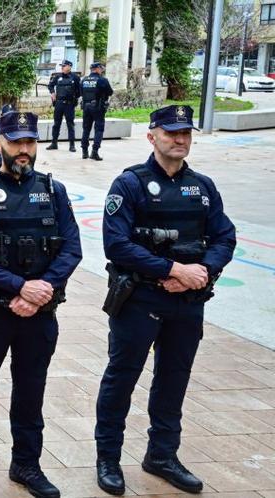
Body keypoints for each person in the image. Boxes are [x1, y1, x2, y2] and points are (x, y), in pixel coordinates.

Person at [93, 105, 236, 496]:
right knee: (122, 379)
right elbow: (116, 244)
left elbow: (225, 237)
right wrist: (173, 270)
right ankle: (108, 457)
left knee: (173, 380)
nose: (180, 139)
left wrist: (202, 271)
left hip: (187, 303)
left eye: (186, 132)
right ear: (151, 136)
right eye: (172, 132)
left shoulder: (203, 187)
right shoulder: (130, 184)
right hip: (140, 299)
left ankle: (162, 455)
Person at [0, 111, 82, 498]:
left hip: (38, 313)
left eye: (29, 142)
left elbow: (72, 248)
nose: (23, 150)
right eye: (16, 142)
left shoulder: (53, 191)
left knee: (31, 391)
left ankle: (26, 464)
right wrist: (19, 288)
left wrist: (42, 289)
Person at [80, 62, 114, 161]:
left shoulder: (84, 80)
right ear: (98, 69)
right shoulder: (102, 80)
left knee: (86, 129)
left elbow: (81, 92)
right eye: (101, 68)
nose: (102, 70)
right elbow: (110, 92)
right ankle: (94, 152)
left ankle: (84, 152)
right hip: (98, 107)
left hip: (86, 107)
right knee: (99, 129)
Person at [47, 60, 80, 152]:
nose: (62, 67)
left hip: (69, 104)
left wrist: (74, 98)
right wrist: (53, 93)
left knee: (70, 125)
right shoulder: (57, 77)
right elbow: (50, 85)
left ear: (69, 66)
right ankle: (54, 143)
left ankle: (72, 145)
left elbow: (79, 91)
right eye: (62, 66)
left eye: (64, 66)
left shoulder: (75, 78)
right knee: (56, 124)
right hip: (59, 104)